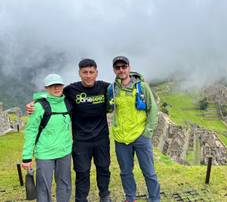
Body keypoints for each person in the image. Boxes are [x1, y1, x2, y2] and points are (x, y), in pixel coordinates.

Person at [26, 59, 111, 202]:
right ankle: (81, 198)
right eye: (85, 72)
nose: (88, 76)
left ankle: (104, 195)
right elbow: (53, 94)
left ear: (96, 73)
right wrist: (35, 101)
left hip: (101, 138)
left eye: (91, 72)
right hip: (81, 141)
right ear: (79, 73)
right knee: (82, 172)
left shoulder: (105, 87)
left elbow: (122, 86)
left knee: (103, 168)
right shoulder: (72, 90)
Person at [109, 56, 160, 202]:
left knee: (149, 172)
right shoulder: (112, 89)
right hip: (121, 138)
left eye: (123, 67)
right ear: (114, 70)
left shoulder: (142, 87)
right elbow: (108, 107)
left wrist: (147, 132)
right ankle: (130, 197)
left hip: (140, 136)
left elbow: (153, 109)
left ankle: (154, 199)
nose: (121, 70)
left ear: (129, 68)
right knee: (125, 172)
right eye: (117, 68)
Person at [22, 73, 72, 202]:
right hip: (45, 153)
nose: (56, 88)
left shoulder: (67, 103)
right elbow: (31, 131)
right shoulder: (38, 106)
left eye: (59, 85)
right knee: (43, 187)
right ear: (46, 88)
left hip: (65, 152)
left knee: (65, 185)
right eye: (52, 86)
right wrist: (26, 156)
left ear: (63, 86)